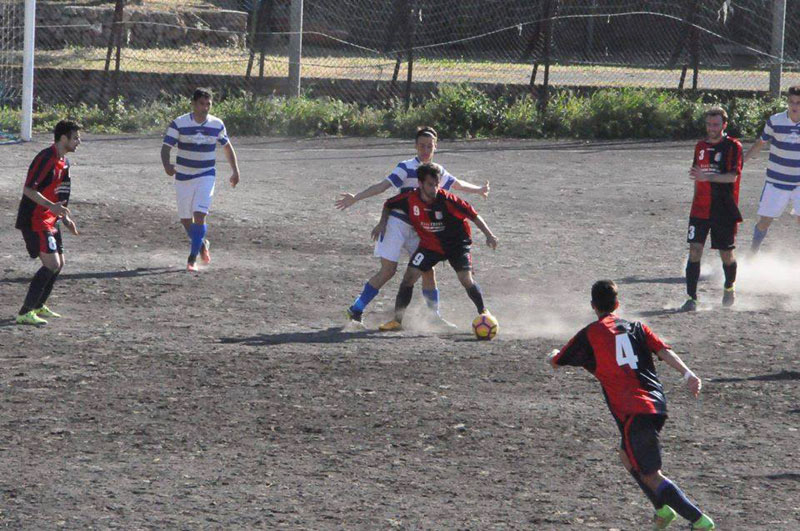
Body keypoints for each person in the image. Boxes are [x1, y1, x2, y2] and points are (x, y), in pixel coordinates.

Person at [547, 280, 715, 530]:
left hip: (634, 410)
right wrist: (688, 374)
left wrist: (552, 356)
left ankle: (699, 520)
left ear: (593, 306)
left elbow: (559, 361)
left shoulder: (591, 333)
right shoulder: (637, 327)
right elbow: (664, 351)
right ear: (617, 304)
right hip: (655, 404)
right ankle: (662, 510)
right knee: (626, 457)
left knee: (651, 474)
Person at [336, 126, 489, 329]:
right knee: (388, 270)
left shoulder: (437, 172)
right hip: (398, 224)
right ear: (415, 147)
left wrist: (478, 190)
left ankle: (434, 315)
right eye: (422, 146)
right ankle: (356, 309)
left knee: (427, 269)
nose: (425, 150)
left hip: (420, 228)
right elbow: (383, 186)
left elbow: (456, 184)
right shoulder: (406, 167)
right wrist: (356, 197)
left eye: (429, 146)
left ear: (435, 147)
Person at [373, 163, 498, 330]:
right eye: (430, 185)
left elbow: (474, 215)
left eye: (437, 184)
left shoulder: (448, 200)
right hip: (430, 245)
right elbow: (388, 204)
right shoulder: (410, 199)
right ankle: (397, 321)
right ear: (420, 184)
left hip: (456, 245)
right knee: (409, 278)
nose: (434, 189)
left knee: (465, 279)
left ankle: (484, 312)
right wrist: (382, 223)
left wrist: (489, 235)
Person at [161, 87, 241, 272]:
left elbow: (227, 147)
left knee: (199, 215)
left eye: (208, 104)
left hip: (206, 175)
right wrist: (167, 165)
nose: (205, 108)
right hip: (183, 176)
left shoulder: (217, 124)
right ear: (193, 104)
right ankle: (202, 244)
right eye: (201, 104)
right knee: (185, 219)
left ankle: (191, 259)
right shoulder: (179, 123)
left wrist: (235, 171)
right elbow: (166, 148)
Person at [14, 120, 81, 325]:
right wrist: (51, 206)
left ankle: (39, 305)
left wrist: (65, 217)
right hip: (35, 219)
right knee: (52, 264)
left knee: (59, 264)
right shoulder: (45, 159)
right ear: (63, 138)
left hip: (51, 219)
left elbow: (61, 195)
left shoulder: (65, 163)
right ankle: (25, 312)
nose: (79, 142)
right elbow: (28, 190)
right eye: (76, 137)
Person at [682, 106, 743, 311]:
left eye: (715, 124)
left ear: (724, 125)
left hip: (723, 208)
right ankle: (692, 298)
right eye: (708, 124)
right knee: (694, 250)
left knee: (726, 254)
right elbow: (696, 176)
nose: (711, 128)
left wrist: (706, 177)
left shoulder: (733, 146)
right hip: (699, 209)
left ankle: (729, 286)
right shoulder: (699, 146)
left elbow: (731, 177)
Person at [744, 85, 800, 253]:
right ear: (787, 102)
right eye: (791, 102)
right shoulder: (775, 121)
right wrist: (741, 161)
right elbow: (760, 143)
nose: (795, 106)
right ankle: (753, 253)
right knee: (765, 221)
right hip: (776, 181)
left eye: (798, 102)